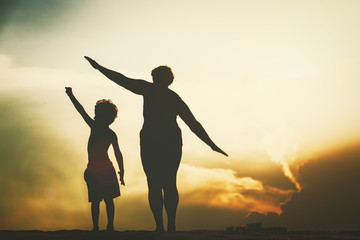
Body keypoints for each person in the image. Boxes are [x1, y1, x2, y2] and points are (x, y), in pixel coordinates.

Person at [84, 56, 227, 232]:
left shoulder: (154, 91)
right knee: (163, 183)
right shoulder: (161, 94)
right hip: (160, 142)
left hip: (160, 142)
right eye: (154, 76)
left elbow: (192, 123)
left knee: (160, 183)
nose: (154, 79)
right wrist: (99, 68)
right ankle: (164, 225)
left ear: (165, 80)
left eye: (156, 76)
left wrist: (211, 144)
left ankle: (166, 225)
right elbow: (122, 80)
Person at [65, 87, 125, 231]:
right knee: (107, 200)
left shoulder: (96, 126)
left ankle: (97, 227)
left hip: (95, 169)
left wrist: (71, 95)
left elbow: (81, 110)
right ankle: (107, 227)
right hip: (104, 169)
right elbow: (118, 154)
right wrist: (121, 171)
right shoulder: (109, 132)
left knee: (97, 200)